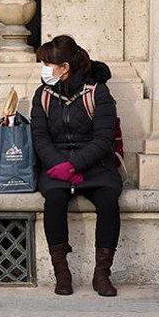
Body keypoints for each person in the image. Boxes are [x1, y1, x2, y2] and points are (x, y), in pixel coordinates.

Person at [30, 35, 123, 297]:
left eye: (48, 63)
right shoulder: (43, 95)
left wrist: (75, 164)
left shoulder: (98, 92)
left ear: (64, 67)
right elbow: (39, 137)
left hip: (95, 166)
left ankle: (102, 273)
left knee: (108, 202)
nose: (44, 69)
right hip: (56, 165)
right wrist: (59, 164)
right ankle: (62, 272)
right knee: (54, 201)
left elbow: (104, 139)